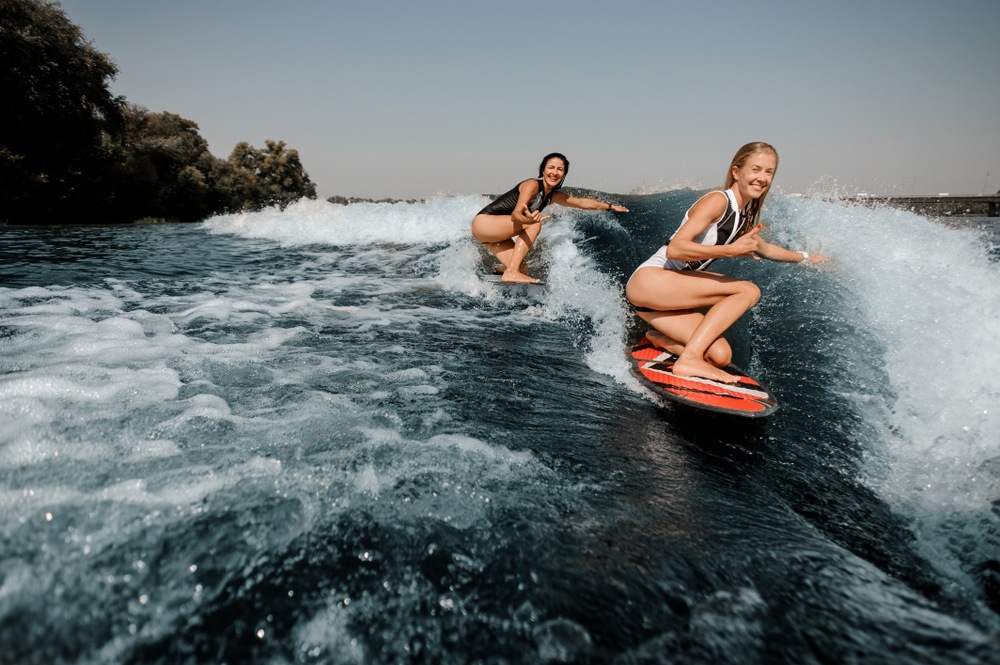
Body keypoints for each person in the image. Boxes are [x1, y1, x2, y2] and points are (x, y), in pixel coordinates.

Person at [626, 142, 829, 384]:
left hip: (662, 302)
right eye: (756, 169)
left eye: (769, 172)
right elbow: (676, 249)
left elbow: (765, 249)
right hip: (651, 281)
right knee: (748, 290)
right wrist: (729, 251)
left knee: (720, 356)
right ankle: (689, 360)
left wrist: (806, 258)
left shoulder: (743, 216)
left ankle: (658, 338)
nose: (762, 178)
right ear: (736, 172)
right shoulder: (718, 201)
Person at [472, 153, 628, 283]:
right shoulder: (532, 185)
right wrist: (529, 221)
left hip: (493, 237)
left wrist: (610, 207)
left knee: (523, 268)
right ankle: (511, 272)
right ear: (543, 170)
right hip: (484, 223)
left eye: (560, 169)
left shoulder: (551, 195)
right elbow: (516, 214)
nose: (555, 172)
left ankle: (505, 270)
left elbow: (581, 203)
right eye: (551, 167)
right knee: (535, 224)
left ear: (564, 175)